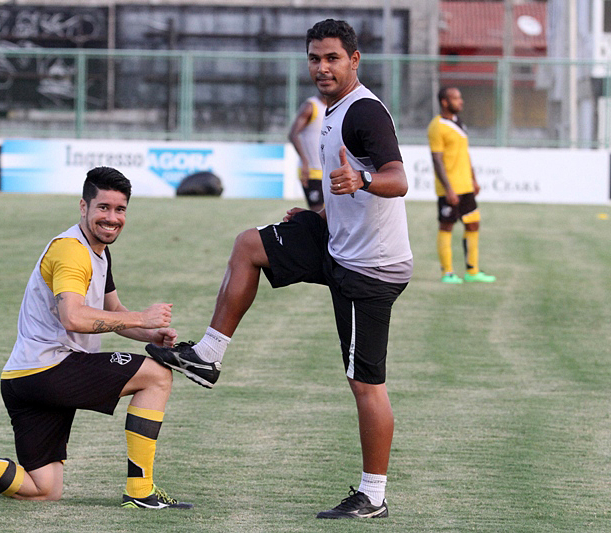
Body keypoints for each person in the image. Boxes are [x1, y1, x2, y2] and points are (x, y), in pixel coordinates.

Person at [146, 19, 411, 519]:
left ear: (355, 60)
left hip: (369, 268)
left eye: (332, 57)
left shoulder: (364, 112)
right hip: (337, 241)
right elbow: (350, 198)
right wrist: (316, 217)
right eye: (314, 58)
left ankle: (373, 495)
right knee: (250, 245)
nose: (322, 67)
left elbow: (397, 180)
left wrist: (362, 177)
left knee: (366, 383)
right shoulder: (331, 112)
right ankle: (207, 354)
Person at [0, 167, 192, 509]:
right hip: (50, 369)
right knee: (157, 376)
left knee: (44, 489)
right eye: (103, 207)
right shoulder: (72, 252)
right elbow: (73, 317)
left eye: (120, 210)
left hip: (23, 379)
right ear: (83, 207)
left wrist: (150, 332)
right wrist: (141, 317)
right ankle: (140, 490)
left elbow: (114, 312)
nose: (112, 218)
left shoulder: (98, 252)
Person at [427, 87, 496, 284]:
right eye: (456, 98)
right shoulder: (437, 126)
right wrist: (448, 188)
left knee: (473, 223)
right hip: (450, 188)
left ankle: (472, 271)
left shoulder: (459, 124)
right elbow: (437, 160)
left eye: (460, 97)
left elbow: (465, 154)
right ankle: (447, 272)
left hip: (465, 185)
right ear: (444, 102)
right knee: (447, 226)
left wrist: (473, 179)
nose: (461, 101)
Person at [288, 91, 326, 211]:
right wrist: (305, 161)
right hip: (312, 171)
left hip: (329, 172)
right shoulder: (311, 106)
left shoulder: (335, 108)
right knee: (318, 212)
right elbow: (293, 134)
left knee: (331, 214)